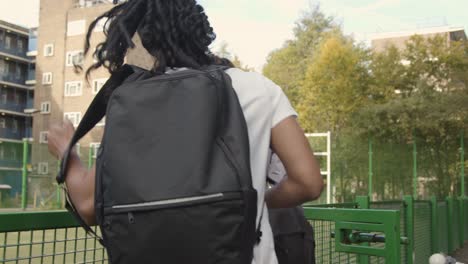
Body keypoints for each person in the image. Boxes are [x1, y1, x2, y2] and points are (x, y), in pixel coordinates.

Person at [47, 0, 324, 263]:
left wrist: (66, 152)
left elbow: (86, 203)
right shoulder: (258, 89)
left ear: (145, 39)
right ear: (201, 30)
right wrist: (253, 202)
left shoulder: (132, 100)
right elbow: (308, 182)